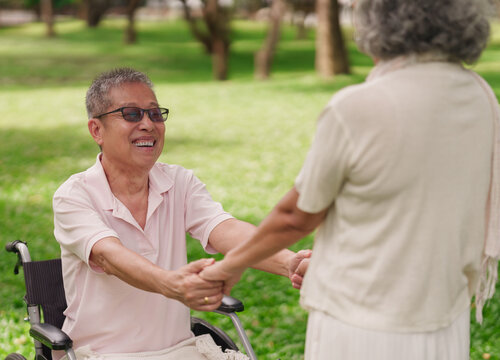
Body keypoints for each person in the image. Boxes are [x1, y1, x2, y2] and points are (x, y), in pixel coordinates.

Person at [201, 0, 500, 359]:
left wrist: (229, 266)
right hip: (444, 315)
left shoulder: (359, 106)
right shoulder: (481, 97)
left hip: (364, 322)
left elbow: (296, 216)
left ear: (379, 21)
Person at [52, 68, 310, 360]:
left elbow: (225, 230)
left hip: (180, 352)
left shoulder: (179, 182)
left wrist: (290, 261)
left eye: (155, 114)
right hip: (102, 354)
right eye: (132, 114)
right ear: (96, 130)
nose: (148, 124)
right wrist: (171, 284)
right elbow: (109, 257)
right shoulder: (74, 195)